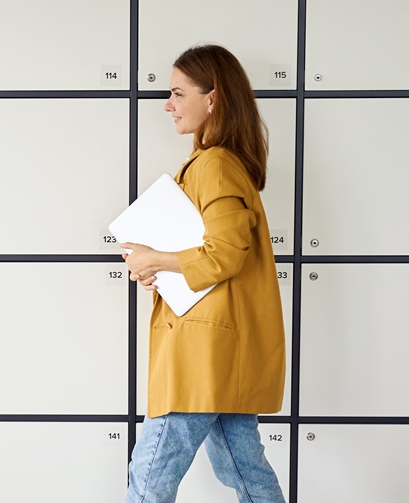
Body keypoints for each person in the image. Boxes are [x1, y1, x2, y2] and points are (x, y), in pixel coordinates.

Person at [120, 44, 286, 503]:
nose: (167, 105)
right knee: (245, 471)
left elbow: (225, 253)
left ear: (212, 100)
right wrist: (159, 264)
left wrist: (156, 260)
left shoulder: (214, 163)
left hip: (203, 353)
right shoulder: (219, 162)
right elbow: (211, 252)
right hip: (219, 348)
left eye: (177, 93)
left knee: (150, 476)